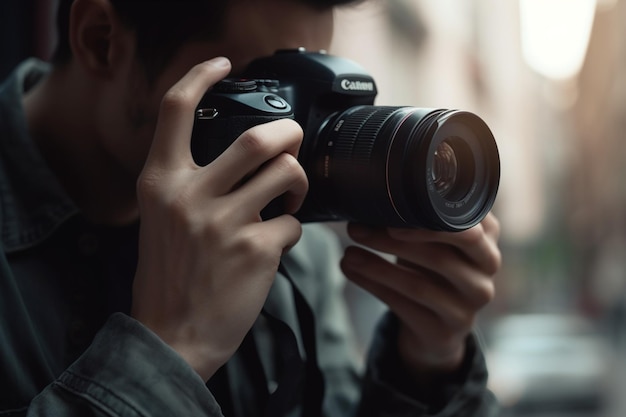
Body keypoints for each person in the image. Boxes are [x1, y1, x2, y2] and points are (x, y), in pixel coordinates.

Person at [0, 0, 502, 415]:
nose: (292, 139)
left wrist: (428, 368)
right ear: (101, 41)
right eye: (267, 92)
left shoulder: (295, 254)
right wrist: (171, 347)